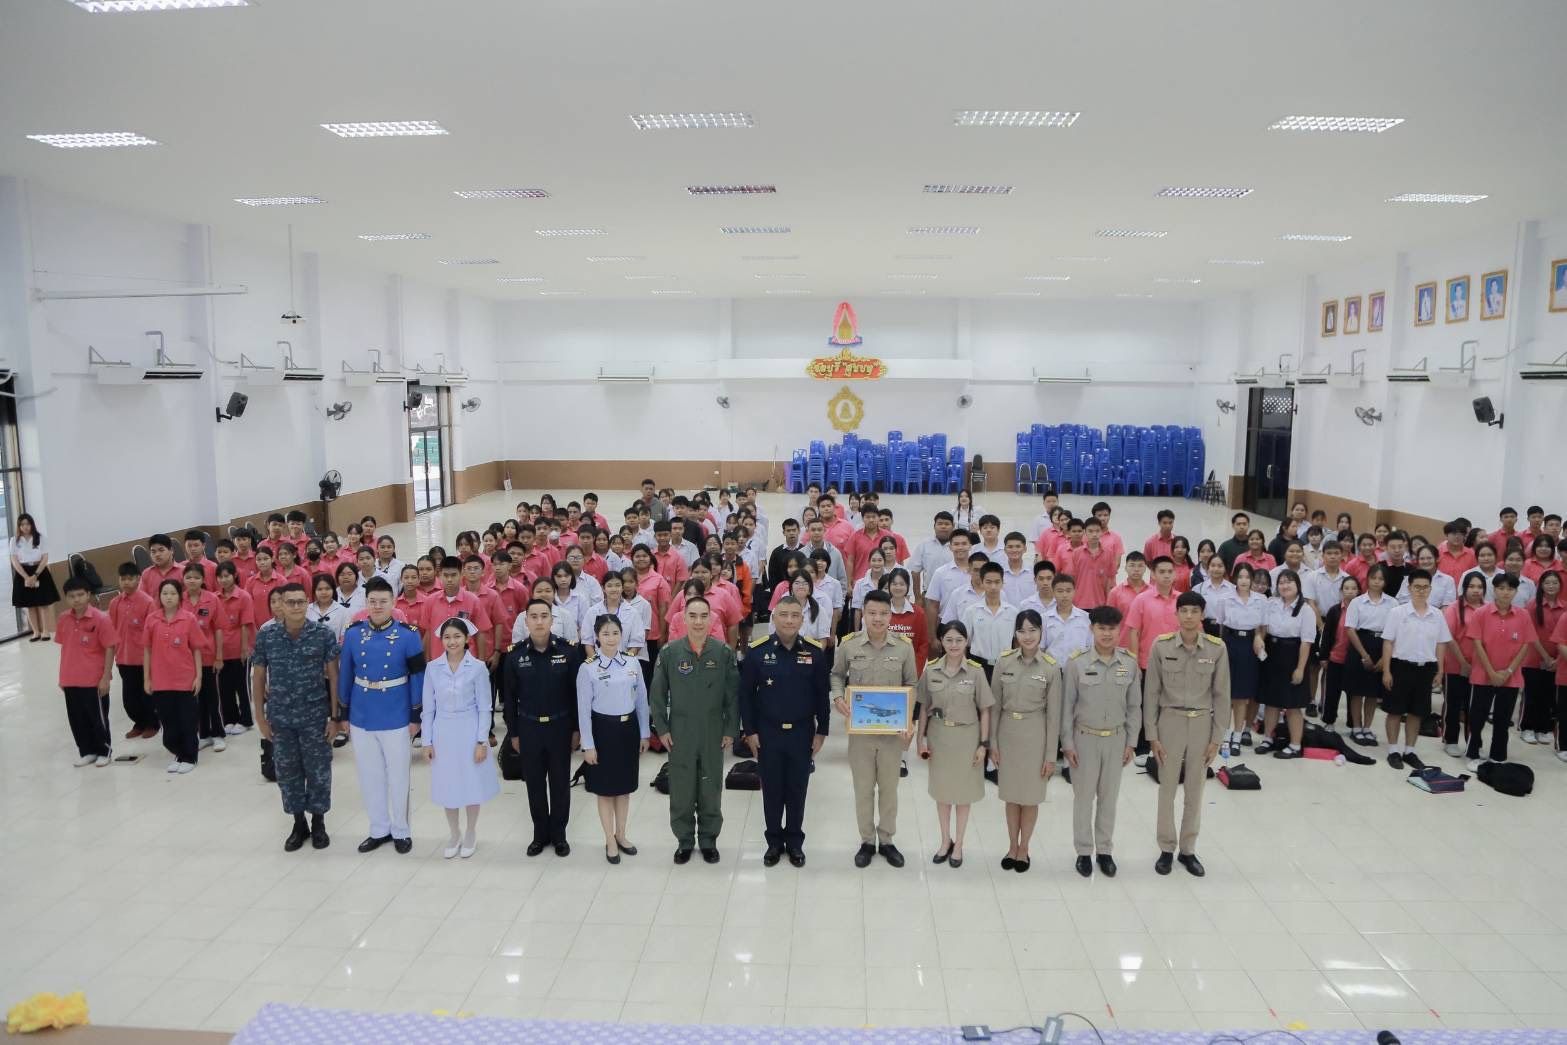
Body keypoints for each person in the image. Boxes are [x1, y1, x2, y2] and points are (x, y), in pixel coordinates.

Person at [739, 596, 830, 868]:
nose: (789, 620)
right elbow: (745, 696)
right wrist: (750, 731)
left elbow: (822, 696)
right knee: (772, 790)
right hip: (768, 733)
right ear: (774, 618)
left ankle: (795, 842)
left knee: (797, 789)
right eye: (783, 615)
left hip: (802, 733)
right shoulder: (758, 652)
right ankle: (773, 843)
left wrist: (822, 731)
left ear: (802, 620)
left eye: (794, 615)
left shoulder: (814, 653)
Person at [337, 578, 426, 855]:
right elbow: (345, 673)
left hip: (396, 712)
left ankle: (401, 829)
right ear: (366, 603)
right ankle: (378, 829)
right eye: (372, 601)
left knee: (398, 776)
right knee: (369, 775)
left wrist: (416, 715)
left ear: (393, 603)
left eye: (383, 601)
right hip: (362, 713)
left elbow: (418, 677)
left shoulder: (409, 635)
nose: (377, 606)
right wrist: (343, 711)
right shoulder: (354, 634)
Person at [831, 589, 918, 868]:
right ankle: (867, 840)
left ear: (891, 615)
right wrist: (837, 697)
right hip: (861, 733)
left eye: (883, 613)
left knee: (889, 790)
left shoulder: (903, 647)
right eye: (872, 613)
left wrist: (908, 722)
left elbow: (912, 684)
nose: (877, 619)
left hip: (892, 735)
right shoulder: (849, 645)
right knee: (863, 789)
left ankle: (887, 839)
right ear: (863, 615)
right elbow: (836, 675)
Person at [250, 583, 340, 852]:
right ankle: (299, 823)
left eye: (301, 601)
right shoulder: (267, 636)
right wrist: (260, 717)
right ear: (281, 605)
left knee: (319, 771)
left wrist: (335, 717)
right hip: (281, 717)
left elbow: (334, 676)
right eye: (290, 602)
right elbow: (258, 677)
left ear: (307, 603)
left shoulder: (322, 634)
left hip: (315, 716)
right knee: (288, 772)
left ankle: (319, 822)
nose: (296, 607)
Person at [650, 596, 739, 864]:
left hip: (713, 731)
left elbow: (733, 696)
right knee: (682, 789)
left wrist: (730, 729)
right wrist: (662, 728)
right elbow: (657, 695)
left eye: (703, 616)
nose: (698, 621)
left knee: (711, 787)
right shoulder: (670, 653)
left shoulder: (723, 653)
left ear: (711, 619)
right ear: (683, 619)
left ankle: (709, 840)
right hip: (680, 732)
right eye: (693, 616)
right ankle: (685, 840)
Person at [1145, 591, 1228, 878]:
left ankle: (1188, 849)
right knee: (1167, 788)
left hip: (1202, 723)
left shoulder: (1217, 649)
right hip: (1170, 722)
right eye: (1184, 611)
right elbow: (1151, 692)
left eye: (1195, 611)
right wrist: (1152, 735)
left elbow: (1222, 695)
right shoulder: (1161, 646)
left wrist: (1216, 739)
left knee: (1195, 789)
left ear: (1202, 615)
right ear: (1176, 614)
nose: (1189, 616)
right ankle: (1166, 848)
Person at [1060, 605, 1141, 878]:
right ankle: (1084, 851)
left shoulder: (1129, 663)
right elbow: (1067, 706)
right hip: (1084, 739)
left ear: (1120, 631)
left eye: (1112, 629)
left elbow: (1134, 706)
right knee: (1083, 799)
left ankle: (1104, 850)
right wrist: (1067, 743)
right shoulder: (1077, 663)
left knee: (1109, 798)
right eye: (1101, 628)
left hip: (1116, 740)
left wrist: (1131, 741)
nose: (1107, 634)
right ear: (1091, 629)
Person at [502, 599, 585, 857]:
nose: (539, 621)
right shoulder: (515, 655)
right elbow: (509, 700)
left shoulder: (568, 652)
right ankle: (540, 834)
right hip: (529, 728)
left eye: (544, 616)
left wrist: (577, 730)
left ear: (552, 620)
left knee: (560, 783)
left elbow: (577, 695)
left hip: (561, 727)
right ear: (526, 621)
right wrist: (513, 733)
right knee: (535, 784)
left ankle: (559, 835)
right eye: (534, 616)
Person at [916, 621, 994, 869]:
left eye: (959, 640)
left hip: (967, 739)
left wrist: (983, 744)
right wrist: (920, 740)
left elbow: (985, 710)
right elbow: (924, 708)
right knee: (942, 793)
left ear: (966, 642)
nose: (954, 645)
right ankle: (944, 841)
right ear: (941, 642)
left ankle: (959, 844)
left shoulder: (976, 672)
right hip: (939, 738)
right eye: (948, 640)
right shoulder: (931, 670)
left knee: (963, 794)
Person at [422, 618, 500, 859]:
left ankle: (470, 831)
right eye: (447, 637)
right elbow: (428, 708)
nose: (452, 641)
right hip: (443, 731)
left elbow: (485, 707)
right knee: (448, 784)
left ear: (467, 639)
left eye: (457, 636)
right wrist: (427, 741)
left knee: (471, 783)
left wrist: (481, 741)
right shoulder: (433, 667)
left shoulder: (477, 667)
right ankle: (454, 833)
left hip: (469, 729)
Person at [577, 614, 651, 864]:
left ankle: (621, 834)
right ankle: (609, 838)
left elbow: (641, 700)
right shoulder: (588, 668)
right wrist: (588, 745)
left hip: (628, 730)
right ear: (597, 637)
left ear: (622, 635)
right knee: (605, 790)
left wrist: (644, 733)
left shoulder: (632, 662)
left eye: (615, 633)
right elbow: (583, 711)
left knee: (624, 788)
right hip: (602, 732)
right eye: (605, 633)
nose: (611, 638)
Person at [991, 609, 1061, 874]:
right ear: (1015, 634)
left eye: (1033, 630)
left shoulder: (1051, 667)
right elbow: (995, 706)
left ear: (1042, 632)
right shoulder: (1004, 662)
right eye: (1022, 631)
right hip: (1008, 733)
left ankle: (1024, 848)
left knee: (1030, 798)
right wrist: (992, 743)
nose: (1027, 636)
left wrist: (1050, 756)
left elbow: (1054, 716)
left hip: (1036, 735)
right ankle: (1011, 846)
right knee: (1011, 796)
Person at [1463, 573, 1541, 771]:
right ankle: (1473, 752)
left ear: (1516, 591)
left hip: (1511, 677)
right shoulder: (1481, 613)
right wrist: (1491, 672)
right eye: (1501, 588)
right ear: (1494, 590)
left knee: (1503, 718)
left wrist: (1508, 671)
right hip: (1483, 674)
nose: (1506, 592)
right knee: (1477, 716)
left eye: (1510, 589)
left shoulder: (1523, 615)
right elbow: (1477, 644)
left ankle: (1498, 755)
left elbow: (1525, 645)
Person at [1376, 568, 1452, 771]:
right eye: (1417, 587)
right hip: (1400, 667)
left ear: (1430, 589)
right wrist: (1387, 671)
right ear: (1409, 588)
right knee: (1395, 711)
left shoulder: (1437, 615)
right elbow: (1388, 642)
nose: (1421, 591)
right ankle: (1393, 750)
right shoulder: (1397, 612)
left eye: (1425, 587)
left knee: (1417, 712)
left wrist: (1440, 670)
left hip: (1425, 669)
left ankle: (1409, 750)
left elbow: (1441, 644)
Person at [144, 579, 204, 774]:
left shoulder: (188, 619)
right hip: (161, 681)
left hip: (185, 679)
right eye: (165, 593)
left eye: (172, 593)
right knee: (168, 722)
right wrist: (147, 678)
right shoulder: (152, 619)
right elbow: (147, 650)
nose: (168, 597)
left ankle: (190, 757)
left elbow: (196, 649)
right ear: (159, 597)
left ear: (179, 597)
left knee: (187, 720)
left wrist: (198, 676)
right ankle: (178, 752)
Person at [56, 576, 116, 767]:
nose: (76, 599)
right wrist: (62, 677)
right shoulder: (64, 618)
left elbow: (110, 647)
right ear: (66, 598)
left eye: (80, 595)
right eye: (71, 596)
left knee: (97, 718)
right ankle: (87, 751)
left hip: (93, 680)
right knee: (77, 719)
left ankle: (104, 750)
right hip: (70, 678)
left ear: (88, 595)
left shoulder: (101, 619)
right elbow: (65, 648)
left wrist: (105, 677)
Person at [1260, 570, 1317, 759]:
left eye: (1289, 582)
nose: (1285, 586)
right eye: (1281, 582)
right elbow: (1263, 627)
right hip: (1272, 654)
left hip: (1293, 656)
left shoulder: (1306, 610)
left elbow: (1306, 642)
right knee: (1271, 702)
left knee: (1293, 704)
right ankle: (1268, 738)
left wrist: (1300, 668)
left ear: (1298, 585)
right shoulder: (1272, 603)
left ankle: (1295, 745)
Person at [1344, 564, 1395, 747]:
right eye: (1373, 578)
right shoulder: (1357, 602)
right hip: (1360, 645)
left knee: (1372, 693)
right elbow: (1350, 629)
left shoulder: (1393, 603)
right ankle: (1356, 727)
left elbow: (1395, 632)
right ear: (1368, 579)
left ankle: (1367, 727)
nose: (1376, 582)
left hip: (1382, 645)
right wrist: (1364, 655)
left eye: (1381, 579)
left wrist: (1384, 658)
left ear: (1385, 582)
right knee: (1357, 691)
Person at [1219, 564, 1267, 754]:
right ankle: (1224, 736)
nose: (1244, 581)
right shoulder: (1225, 598)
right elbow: (1221, 627)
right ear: (1234, 579)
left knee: (1241, 695)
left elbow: (1263, 627)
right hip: (1229, 643)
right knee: (1226, 694)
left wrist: (1259, 637)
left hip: (1249, 646)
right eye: (1240, 577)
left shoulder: (1261, 600)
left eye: (1247, 577)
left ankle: (1237, 737)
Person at [109, 562, 158, 740]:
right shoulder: (115, 603)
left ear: (138, 579)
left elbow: (153, 632)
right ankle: (139, 722)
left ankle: (152, 723)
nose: (126, 582)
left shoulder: (148, 602)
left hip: (143, 658)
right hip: (123, 658)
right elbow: (111, 631)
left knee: (147, 694)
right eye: (123, 579)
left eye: (130, 579)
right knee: (129, 697)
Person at [1440, 573, 1486, 758]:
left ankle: (1473, 741)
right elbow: (1449, 637)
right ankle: (1450, 740)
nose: (1476, 590)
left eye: (1480, 587)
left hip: (1480, 666)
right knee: (1453, 704)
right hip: (1455, 664)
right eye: (1472, 586)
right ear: (1464, 588)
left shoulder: (1487, 609)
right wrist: (1463, 663)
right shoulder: (1454, 608)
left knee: (1475, 707)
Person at [1520, 572, 1564, 744]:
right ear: (1541, 586)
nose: (1551, 586)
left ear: (1560, 585)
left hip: (1558, 659)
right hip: (1533, 658)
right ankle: (1527, 727)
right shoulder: (1532, 606)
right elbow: (1530, 634)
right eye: (1547, 583)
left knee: (1548, 695)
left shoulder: (1564, 607)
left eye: (1555, 583)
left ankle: (1543, 728)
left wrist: (1557, 660)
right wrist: (1545, 657)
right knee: (1532, 694)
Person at [960, 562, 1016, 680]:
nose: (993, 587)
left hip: (1006, 666)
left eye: (997, 582)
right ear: (982, 582)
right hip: (977, 665)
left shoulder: (1013, 612)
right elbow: (964, 642)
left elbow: (1017, 642)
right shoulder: (971, 611)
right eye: (989, 582)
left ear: (1003, 583)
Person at [12, 513, 58, 641]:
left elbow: (45, 558)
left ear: (32, 524)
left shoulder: (40, 538)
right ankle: (36, 632)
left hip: (40, 571)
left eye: (27, 524)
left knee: (43, 602)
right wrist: (26, 577)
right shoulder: (14, 541)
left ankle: (45, 631)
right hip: (23, 572)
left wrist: (35, 575)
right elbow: (14, 561)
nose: (25, 527)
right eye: (22, 524)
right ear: (19, 526)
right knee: (29, 604)